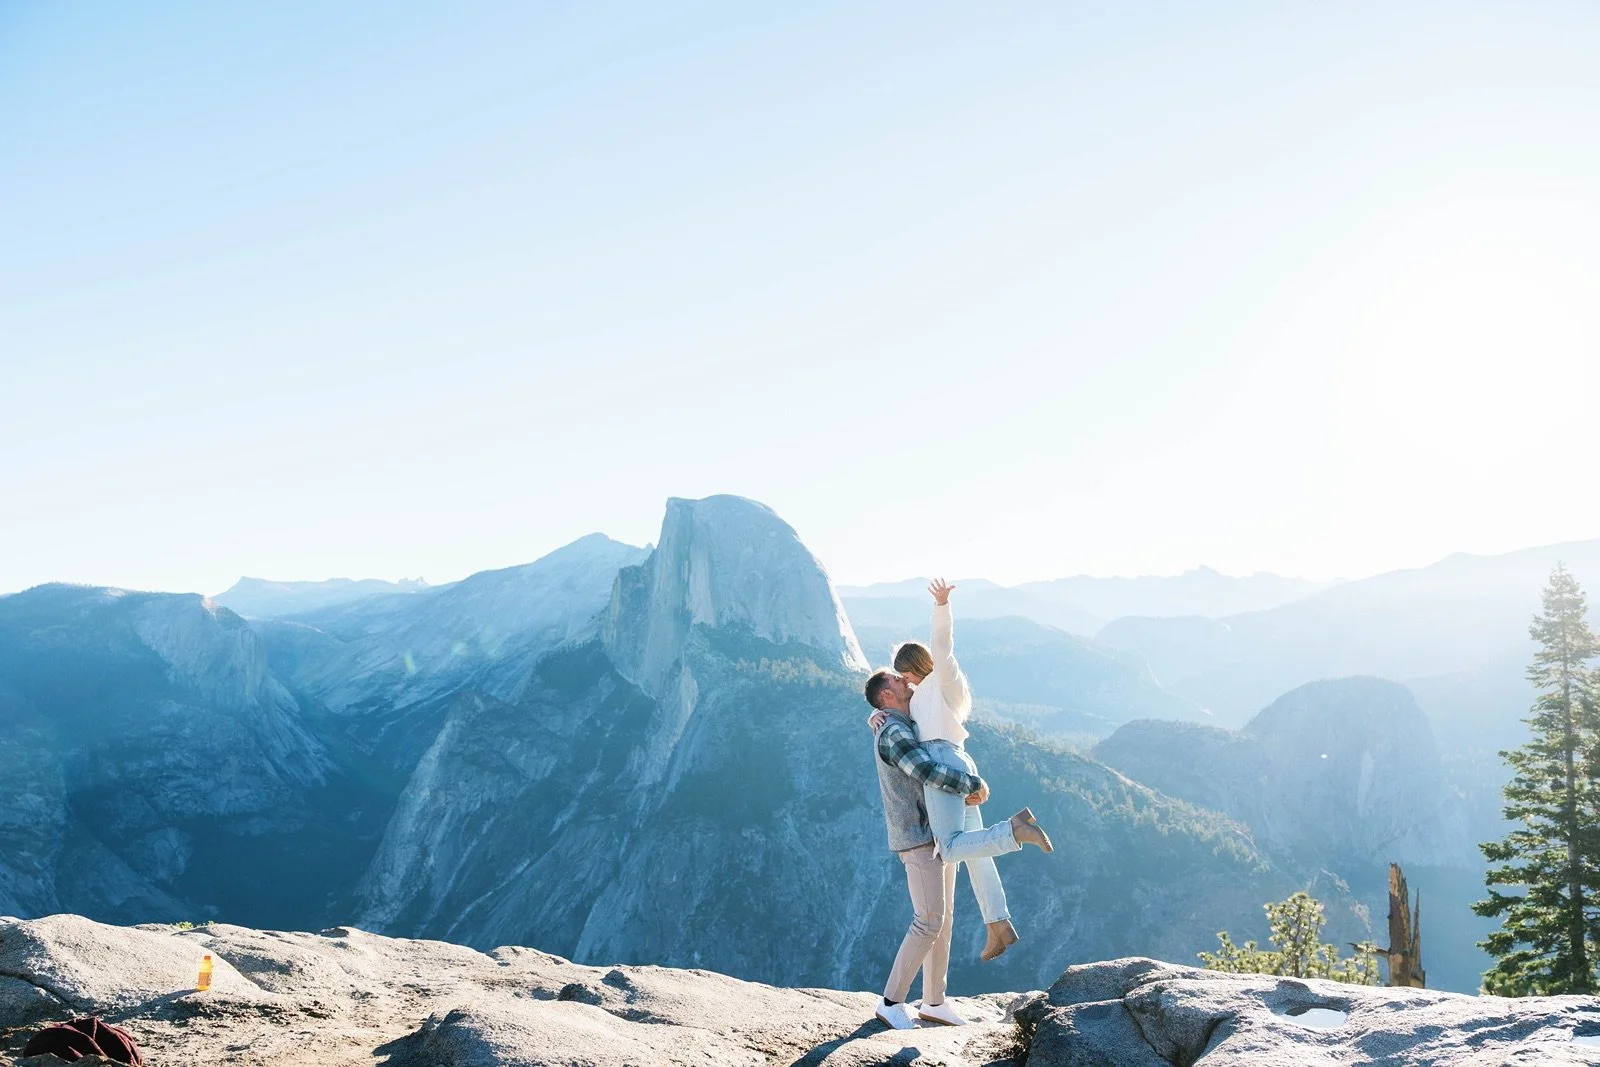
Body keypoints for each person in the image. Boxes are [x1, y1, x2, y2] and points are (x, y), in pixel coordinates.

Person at [878, 579, 1053, 963]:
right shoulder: (924, 696)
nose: (904, 682)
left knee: (950, 846)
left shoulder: (943, 679)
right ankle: (998, 924)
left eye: (904, 675)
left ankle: (1013, 831)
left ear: (914, 667)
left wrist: (941, 607)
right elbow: (896, 712)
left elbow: (942, 646)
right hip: (957, 758)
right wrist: (877, 716)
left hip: (942, 763)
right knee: (975, 851)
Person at [864, 668, 986, 1028]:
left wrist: (873, 715)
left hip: (936, 834)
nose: (905, 680)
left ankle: (934, 1001)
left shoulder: (902, 722)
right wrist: (971, 784)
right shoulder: (894, 731)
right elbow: (926, 771)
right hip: (918, 838)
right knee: (928, 921)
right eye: (896, 679)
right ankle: (890, 1003)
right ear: (887, 696)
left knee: (942, 920)